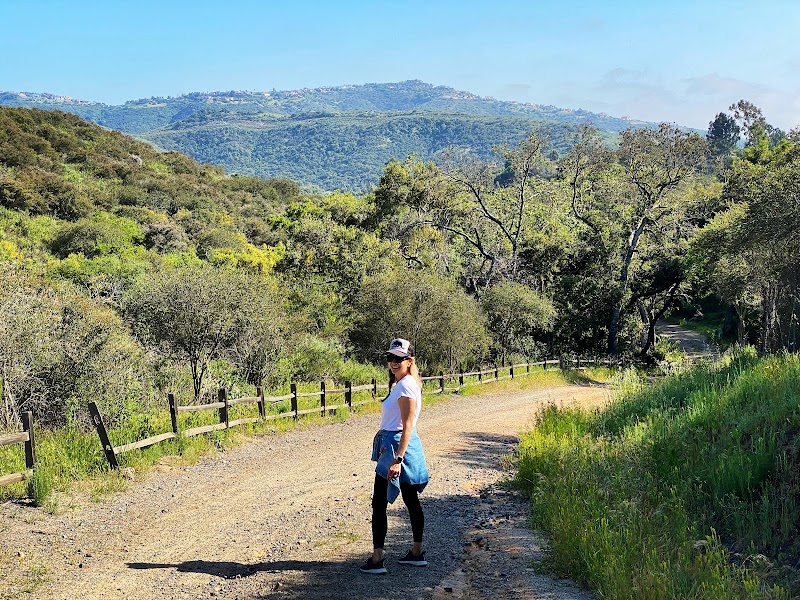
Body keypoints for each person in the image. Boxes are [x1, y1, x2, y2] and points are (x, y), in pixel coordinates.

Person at [360, 338, 429, 574]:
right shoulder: (404, 383)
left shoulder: (406, 385)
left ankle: (377, 559)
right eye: (390, 358)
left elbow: (407, 425)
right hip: (398, 445)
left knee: (379, 503)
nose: (393, 362)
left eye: (399, 358)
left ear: (410, 361)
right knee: (410, 500)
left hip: (397, 447)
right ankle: (417, 553)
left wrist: (397, 459)